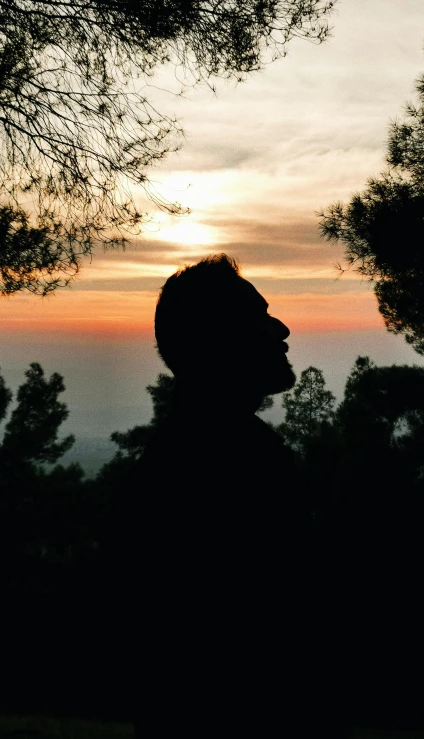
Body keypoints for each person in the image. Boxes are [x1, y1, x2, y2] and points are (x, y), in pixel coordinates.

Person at [129, 254, 326, 737]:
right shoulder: (223, 461)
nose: (281, 330)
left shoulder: (194, 451)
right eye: (259, 318)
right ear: (219, 341)